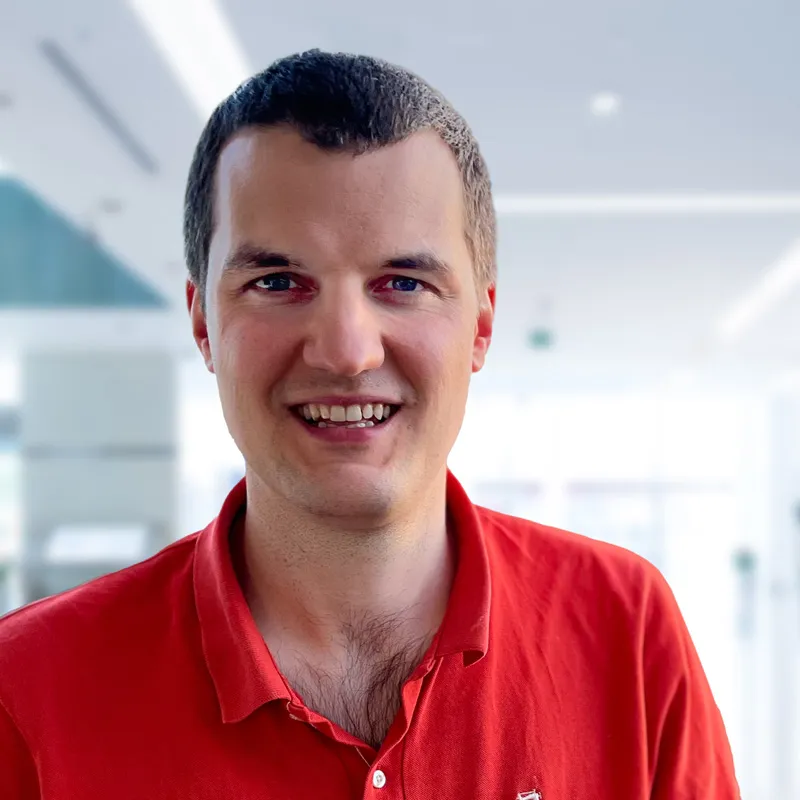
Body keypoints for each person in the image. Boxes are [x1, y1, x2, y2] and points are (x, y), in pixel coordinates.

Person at [0, 50, 739, 799]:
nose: (347, 352)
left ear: (480, 326)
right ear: (202, 323)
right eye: (278, 282)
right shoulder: (28, 687)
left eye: (404, 283)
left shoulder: (627, 631)